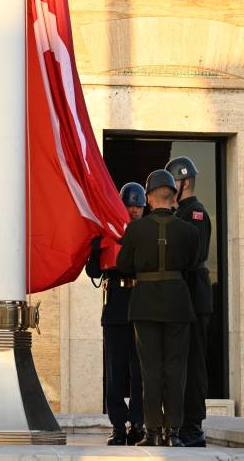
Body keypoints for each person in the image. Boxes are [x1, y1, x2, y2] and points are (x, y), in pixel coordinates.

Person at [116, 169, 200, 447]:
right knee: (176, 368)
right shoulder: (189, 230)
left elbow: (124, 265)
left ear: (149, 198)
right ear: (173, 196)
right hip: (178, 303)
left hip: (145, 304)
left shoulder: (136, 229)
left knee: (150, 368)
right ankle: (173, 433)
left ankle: (152, 432)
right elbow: (192, 265)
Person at [86, 183, 146, 445]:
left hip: (142, 306)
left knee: (140, 372)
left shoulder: (148, 232)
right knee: (115, 371)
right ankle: (118, 426)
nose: (133, 210)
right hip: (115, 308)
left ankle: (138, 424)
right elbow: (93, 272)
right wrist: (96, 247)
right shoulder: (107, 232)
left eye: (137, 205)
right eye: (129, 205)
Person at [167, 155, 212, 448]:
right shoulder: (180, 213)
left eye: (174, 185)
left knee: (194, 363)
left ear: (183, 183)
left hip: (194, 299)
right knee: (181, 362)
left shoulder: (195, 213)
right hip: (184, 299)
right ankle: (182, 422)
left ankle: (193, 427)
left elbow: (193, 256)